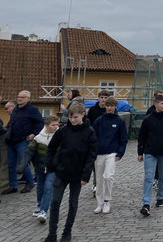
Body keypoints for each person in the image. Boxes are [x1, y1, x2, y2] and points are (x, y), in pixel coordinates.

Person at [44, 103, 97, 242]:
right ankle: (52, 234)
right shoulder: (63, 130)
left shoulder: (90, 132)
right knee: (55, 202)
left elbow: (92, 155)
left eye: (75, 117)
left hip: (78, 174)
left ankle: (67, 233)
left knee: (72, 204)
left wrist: (86, 175)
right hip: (61, 172)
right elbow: (51, 148)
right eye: (70, 117)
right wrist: (51, 165)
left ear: (82, 115)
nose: (72, 120)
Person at [137, 94, 163, 217]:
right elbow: (142, 137)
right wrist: (140, 153)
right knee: (149, 177)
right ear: (155, 104)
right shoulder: (148, 120)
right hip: (150, 152)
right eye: (161, 103)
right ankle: (146, 203)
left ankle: (160, 197)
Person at [16, 115, 59, 224]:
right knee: (40, 188)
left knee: (49, 188)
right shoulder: (38, 138)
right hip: (40, 167)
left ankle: (44, 211)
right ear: (46, 125)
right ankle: (40, 206)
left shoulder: (60, 137)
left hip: (53, 168)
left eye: (57, 124)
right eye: (53, 125)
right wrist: (21, 166)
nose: (56, 127)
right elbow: (28, 152)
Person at [3, 90, 44, 195]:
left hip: (23, 140)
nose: (19, 98)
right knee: (11, 164)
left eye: (22, 97)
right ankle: (13, 186)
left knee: (23, 162)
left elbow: (40, 122)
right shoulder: (16, 109)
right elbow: (12, 123)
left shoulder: (32, 110)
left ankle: (29, 183)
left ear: (28, 98)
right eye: (18, 97)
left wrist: (34, 134)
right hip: (11, 140)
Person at [92, 96, 128, 215]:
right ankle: (99, 202)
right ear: (105, 107)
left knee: (108, 176)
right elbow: (92, 136)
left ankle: (107, 200)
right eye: (108, 106)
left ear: (115, 107)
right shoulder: (99, 120)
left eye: (112, 106)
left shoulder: (119, 121)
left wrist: (120, 153)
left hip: (112, 153)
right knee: (99, 179)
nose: (109, 108)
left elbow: (123, 138)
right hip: (99, 153)